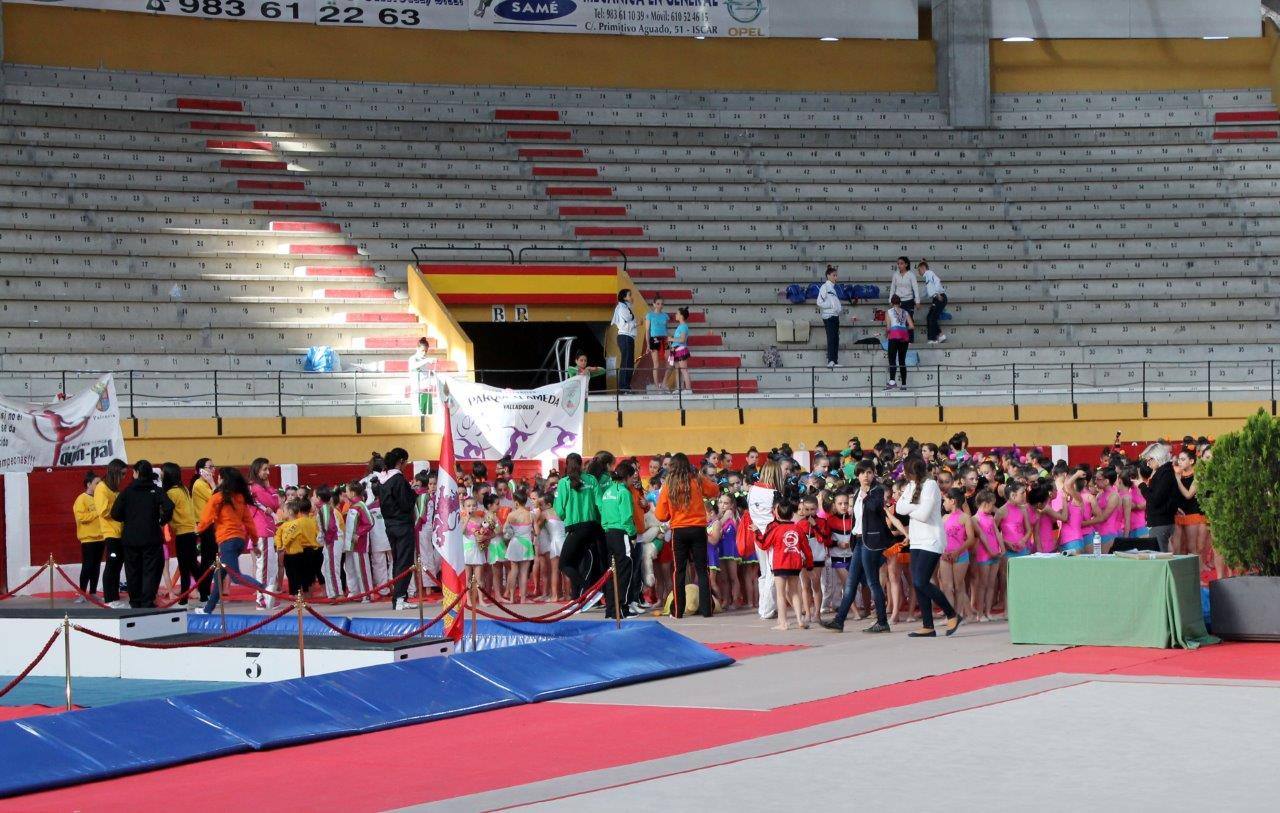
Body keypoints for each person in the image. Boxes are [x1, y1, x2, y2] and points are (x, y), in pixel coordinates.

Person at [896, 457, 961, 637]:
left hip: (931, 540)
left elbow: (924, 515)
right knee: (918, 584)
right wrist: (913, 506)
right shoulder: (910, 486)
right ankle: (928, 626)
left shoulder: (930, 485)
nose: (904, 475)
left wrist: (910, 507)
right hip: (916, 539)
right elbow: (898, 508)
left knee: (920, 581)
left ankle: (952, 614)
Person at [655, 452, 719, 618]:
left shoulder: (669, 485)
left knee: (679, 571)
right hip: (698, 528)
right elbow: (714, 490)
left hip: (679, 530)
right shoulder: (697, 480)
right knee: (702, 569)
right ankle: (707, 610)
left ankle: (678, 610)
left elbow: (661, 515)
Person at [194, 467, 264, 615]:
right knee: (219, 575)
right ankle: (208, 609)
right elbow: (249, 522)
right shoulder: (239, 498)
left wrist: (197, 531)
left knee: (235, 576)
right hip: (239, 541)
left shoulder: (218, 497)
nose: (218, 479)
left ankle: (263, 587)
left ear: (223, 480)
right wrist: (255, 543)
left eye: (219, 477)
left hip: (227, 541)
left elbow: (206, 518)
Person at [111, 460, 175, 609]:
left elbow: (115, 513)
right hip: (151, 537)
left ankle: (135, 601)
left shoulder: (127, 492)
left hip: (131, 538)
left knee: (133, 571)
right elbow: (169, 506)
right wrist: (161, 520)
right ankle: (147, 601)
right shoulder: (156, 490)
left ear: (136, 473)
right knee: (151, 571)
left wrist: (128, 520)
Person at [554, 452, 603, 602]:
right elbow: (600, 504)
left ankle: (588, 589)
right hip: (592, 527)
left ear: (567, 465)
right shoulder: (591, 479)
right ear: (581, 464)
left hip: (575, 528)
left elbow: (559, 509)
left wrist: (567, 517)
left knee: (564, 564)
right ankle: (577, 598)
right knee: (579, 562)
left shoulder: (564, 482)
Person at [757, 501, 812, 631]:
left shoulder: (775, 529)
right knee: (794, 592)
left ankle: (783, 623)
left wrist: (756, 533)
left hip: (780, 563)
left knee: (781, 594)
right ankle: (799, 619)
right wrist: (809, 564)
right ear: (792, 514)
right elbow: (806, 549)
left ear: (777, 515)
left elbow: (764, 544)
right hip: (795, 564)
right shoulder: (798, 528)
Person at [378, 447, 419, 611]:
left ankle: (398, 598)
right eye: (406, 462)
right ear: (401, 461)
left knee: (397, 561)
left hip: (390, 525)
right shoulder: (398, 480)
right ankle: (400, 598)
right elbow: (406, 503)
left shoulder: (383, 479)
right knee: (405, 561)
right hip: (402, 525)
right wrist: (413, 492)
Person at [596, 464, 638, 619]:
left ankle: (611, 608)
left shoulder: (607, 492)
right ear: (626, 477)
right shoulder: (624, 492)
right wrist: (632, 535)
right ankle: (622, 609)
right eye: (632, 477)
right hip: (622, 534)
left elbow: (603, 516)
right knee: (625, 571)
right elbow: (627, 517)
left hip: (609, 534)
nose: (633, 481)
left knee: (612, 572)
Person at [161, 462, 199, 606]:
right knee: (191, 566)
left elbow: (168, 513)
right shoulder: (183, 490)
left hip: (183, 532)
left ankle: (184, 598)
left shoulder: (171, 493)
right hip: (189, 531)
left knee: (185, 567)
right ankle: (201, 592)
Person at [246, 458, 281, 609]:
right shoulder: (256, 488)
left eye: (268, 469)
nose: (268, 472)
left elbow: (275, 504)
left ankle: (268, 597)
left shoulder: (260, 488)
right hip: (262, 530)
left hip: (266, 529)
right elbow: (274, 503)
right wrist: (271, 492)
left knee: (270, 565)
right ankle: (262, 599)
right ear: (257, 470)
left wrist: (270, 491)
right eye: (265, 469)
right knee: (264, 566)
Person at [275, 499, 320, 596]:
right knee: (300, 574)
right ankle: (300, 593)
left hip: (298, 553)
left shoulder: (297, 523)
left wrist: (283, 546)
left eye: (284, 511)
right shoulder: (284, 525)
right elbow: (278, 535)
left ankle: (299, 593)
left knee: (300, 574)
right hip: (298, 551)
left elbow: (291, 535)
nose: (282, 513)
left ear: (290, 512)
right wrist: (279, 545)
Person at [1141, 443, 1179, 553]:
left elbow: (1155, 499)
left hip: (1161, 522)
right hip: (1160, 521)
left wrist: (1142, 486)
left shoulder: (1165, 473)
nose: (1148, 464)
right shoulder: (1163, 472)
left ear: (1157, 457)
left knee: (1159, 555)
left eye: (1149, 460)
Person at [73, 470, 104, 602]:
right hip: (88, 538)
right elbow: (81, 518)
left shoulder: (100, 498)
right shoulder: (81, 499)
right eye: (97, 483)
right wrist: (97, 512)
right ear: (88, 484)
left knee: (96, 566)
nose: (99, 485)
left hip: (101, 538)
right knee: (87, 566)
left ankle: (92, 591)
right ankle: (82, 593)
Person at [190, 458, 218, 602]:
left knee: (211, 560)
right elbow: (217, 498)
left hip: (211, 525)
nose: (213, 470)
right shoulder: (200, 485)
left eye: (214, 466)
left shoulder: (205, 484)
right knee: (208, 560)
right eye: (210, 467)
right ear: (201, 470)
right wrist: (213, 483)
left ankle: (205, 591)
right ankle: (204, 593)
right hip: (206, 526)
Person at [502, 486, 536, 605]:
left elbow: (504, 530)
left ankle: (511, 598)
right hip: (526, 544)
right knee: (523, 572)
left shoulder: (511, 515)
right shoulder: (531, 515)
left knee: (513, 570)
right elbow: (536, 532)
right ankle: (522, 599)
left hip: (515, 543)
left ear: (516, 501)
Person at [885, 294, 914, 390]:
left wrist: (887, 333)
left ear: (892, 303)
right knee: (902, 361)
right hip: (904, 336)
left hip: (894, 335)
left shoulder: (889, 312)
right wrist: (903, 328)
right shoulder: (905, 312)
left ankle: (892, 382)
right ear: (900, 303)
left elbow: (888, 327)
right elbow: (912, 326)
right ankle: (904, 384)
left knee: (892, 359)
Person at [817, 264, 843, 368]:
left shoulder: (833, 288)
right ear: (828, 276)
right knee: (831, 338)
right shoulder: (825, 287)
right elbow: (819, 302)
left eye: (836, 275)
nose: (836, 277)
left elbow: (835, 302)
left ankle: (834, 361)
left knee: (836, 339)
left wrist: (837, 309)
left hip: (835, 316)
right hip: (829, 317)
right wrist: (830, 306)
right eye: (834, 275)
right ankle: (831, 361)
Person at [611, 289, 638, 391]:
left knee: (629, 362)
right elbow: (628, 318)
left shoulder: (625, 307)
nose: (631, 297)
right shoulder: (622, 308)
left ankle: (626, 385)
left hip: (628, 337)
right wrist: (636, 323)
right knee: (626, 362)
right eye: (629, 295)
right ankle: (624, 387)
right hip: (625, 337)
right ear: (624, 297)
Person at [888, 255, 920, 336]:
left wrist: (917, 301)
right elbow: (892, 288)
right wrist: (890, 300)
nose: (899, 265)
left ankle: (910, 341)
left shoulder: (911, 275)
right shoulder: (895, 275)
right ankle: (900, 339)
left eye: (901, 263)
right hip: (898, 302)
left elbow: (915, 289)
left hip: (909, 300)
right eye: (898, 264)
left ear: (906, 264)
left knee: (909, 321)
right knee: (898, 321)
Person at [917, 260, 947, 344]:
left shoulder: (929, 273)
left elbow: (937, 280)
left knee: (931, 317)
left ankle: (933, 339)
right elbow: (926, 293)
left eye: (919, 270)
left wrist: (937, 293)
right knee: (930, 317)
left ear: (923, 268)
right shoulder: (927, 278)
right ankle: (940, 335)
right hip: (937, 298)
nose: (919, 272)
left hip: (939, 297)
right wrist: (917, 299)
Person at [645, 296, 670, 390]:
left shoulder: (665, 316)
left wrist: (668, 341)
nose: (660, 306)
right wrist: (648, 344)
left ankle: (663, 383)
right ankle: (656, 386)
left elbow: (666, 330)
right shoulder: (649, 315)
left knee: (669, 362)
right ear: (654, 304)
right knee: (656, 364)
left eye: (662, 304)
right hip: (654, 339)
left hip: (664, 339)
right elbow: (647, 330)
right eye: (658, 304)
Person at [408, 336, 436, 415]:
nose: (424, 353)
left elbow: (425, 373)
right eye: (422, 350)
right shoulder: (412, 359)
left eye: (426, 351)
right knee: (419, 415)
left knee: (429, 413)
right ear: (417, 348)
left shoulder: (424, 360)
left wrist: (431, 373)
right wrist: (427, 360)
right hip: (417, 391)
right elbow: (414, 366)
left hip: (427, 390)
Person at [669, 307, 693, 393]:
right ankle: (679, 388)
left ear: (681, 316)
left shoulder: (683, 326)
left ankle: (688, 389)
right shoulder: (680, 326)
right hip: (675, 350)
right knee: (677, 370)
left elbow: (682, 340)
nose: (675, 315)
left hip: (680, 349)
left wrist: (671, 339)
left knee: (684, 370)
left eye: (677, 314)